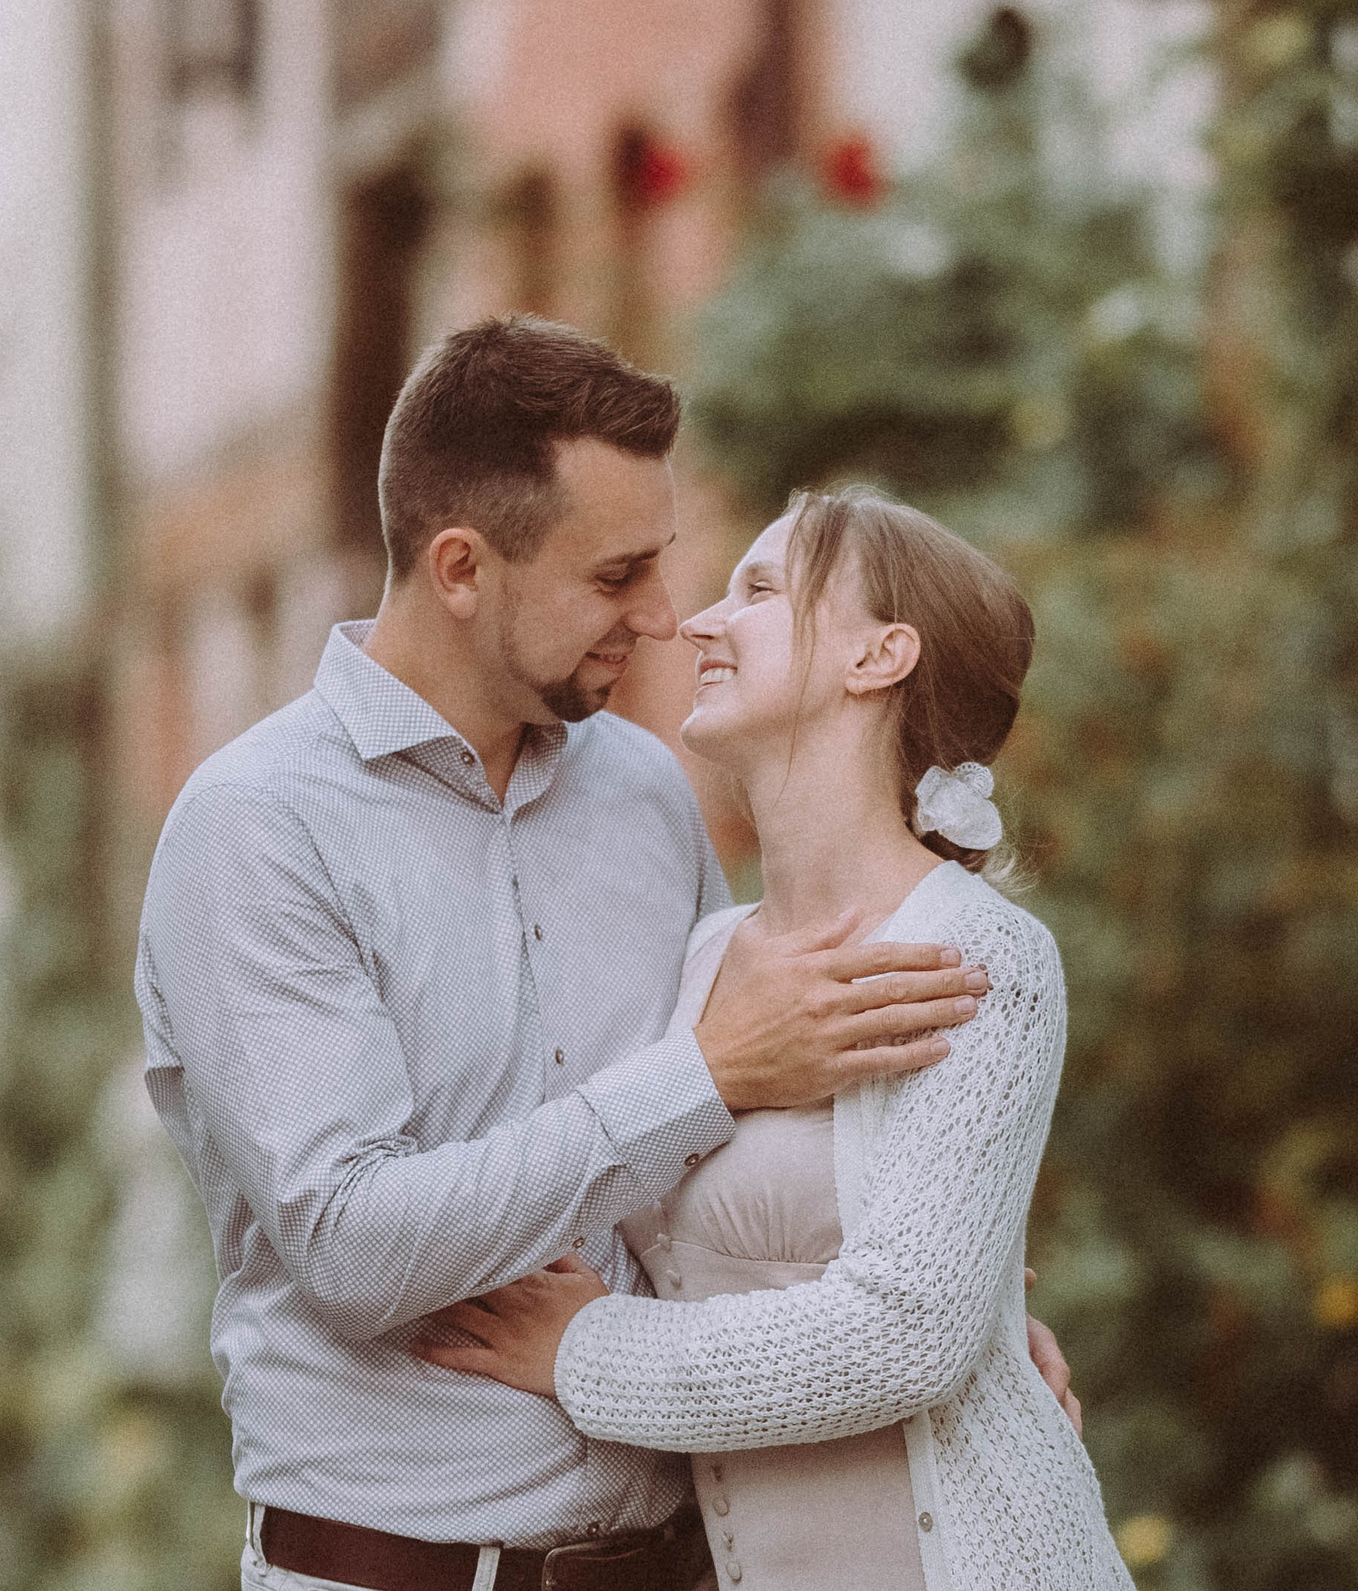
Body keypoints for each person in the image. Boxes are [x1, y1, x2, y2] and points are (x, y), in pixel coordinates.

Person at [135, 316, 1073, 1591]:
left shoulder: (643, 789)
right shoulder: (258, 828)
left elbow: (721, 1171)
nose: (664, 614)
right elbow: (352, 1245)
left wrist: (954, 1313)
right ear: (461, 566)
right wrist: (703, 1070)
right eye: (616, 574)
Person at [413, 486, 1134, 1590]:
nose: (700, 620)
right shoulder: (706, 956)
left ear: (879, 654)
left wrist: (586, 1351)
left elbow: (903, 1336)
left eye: (756, 591)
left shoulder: (986, 955)